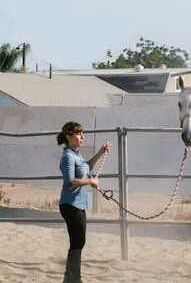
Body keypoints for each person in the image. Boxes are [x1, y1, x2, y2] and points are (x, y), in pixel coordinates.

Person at [56, 121, 111, 283]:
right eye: (79, 134)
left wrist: (101, 152)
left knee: (79, 240)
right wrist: (90, 182)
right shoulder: (68, 156)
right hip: (70, 204)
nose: (82, 136)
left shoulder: (76, 154)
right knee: (78, 241)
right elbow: (70, 181)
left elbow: (87, 167)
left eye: (82, 133)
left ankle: (70, 278)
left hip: (79, 203)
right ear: (68, 136)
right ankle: (74, 279)